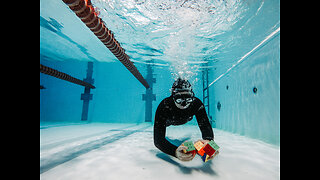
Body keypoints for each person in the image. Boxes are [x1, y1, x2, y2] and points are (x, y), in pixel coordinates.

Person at [154, 78, 214, 161]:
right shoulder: (164, 106)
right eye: (179, 98)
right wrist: (175, 152)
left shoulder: (196, 104)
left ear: (192, 95)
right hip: (170, 121)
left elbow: (205, 126)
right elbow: (158, 141)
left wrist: (208, 143)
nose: (184, 103)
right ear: (173, 96)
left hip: (187, 118)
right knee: (160, 123)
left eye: (187, 97)